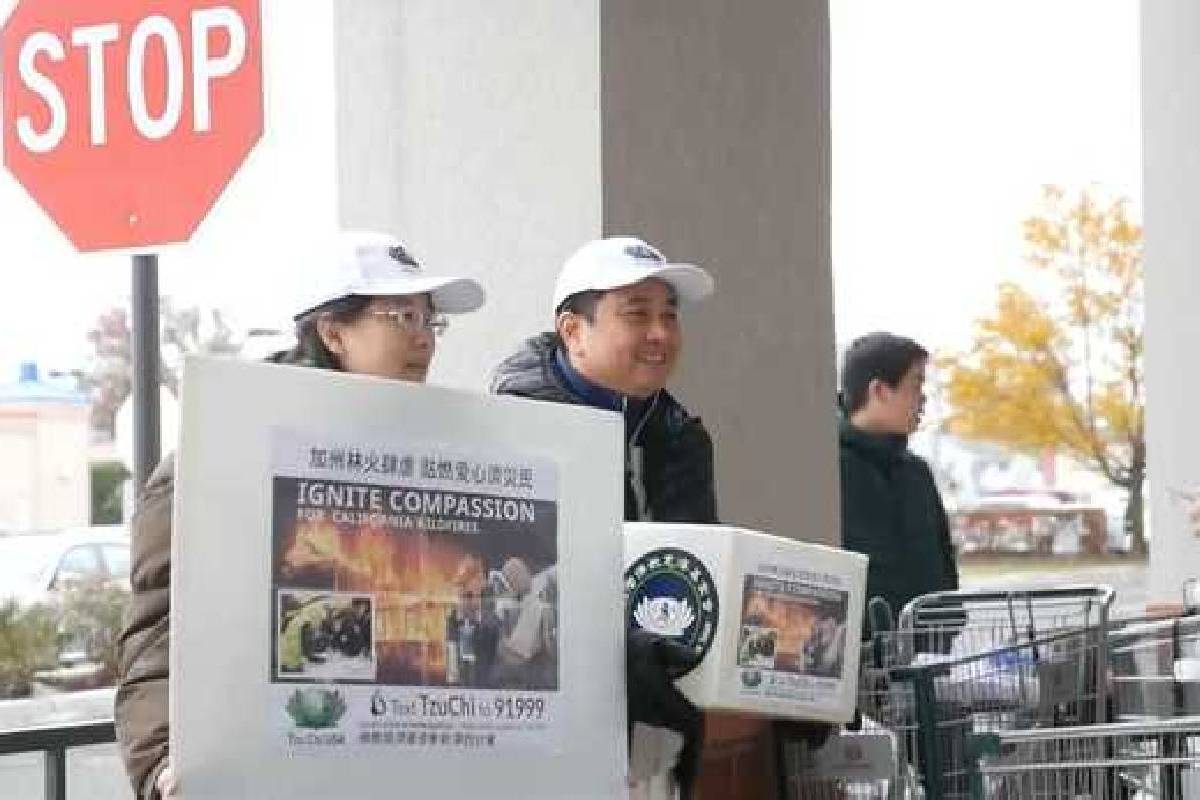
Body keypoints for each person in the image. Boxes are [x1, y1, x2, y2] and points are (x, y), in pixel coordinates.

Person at [114, 230, 486, 800]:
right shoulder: (220, 451)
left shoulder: (433, 461)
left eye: (429, 321)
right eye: (401, 317)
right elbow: (161, 633)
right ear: (333, 332)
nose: (423, 340)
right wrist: (163, 760)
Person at [492, 236, 728, 796]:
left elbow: (698, 570)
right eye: (637, 315)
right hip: (550, 735)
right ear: (573, 330)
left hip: (660, 729)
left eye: (670, 317)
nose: (660, 335)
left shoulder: (680, 437)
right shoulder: (515, 432)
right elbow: (514, 594)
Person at [837, 332, 960, 643]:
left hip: (931, 659)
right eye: (916, 385)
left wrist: (948, 619)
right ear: (879, 390)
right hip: (864, 665)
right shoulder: (831, 470)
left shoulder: (916, 473)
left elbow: (944, 560)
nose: (923, 399)